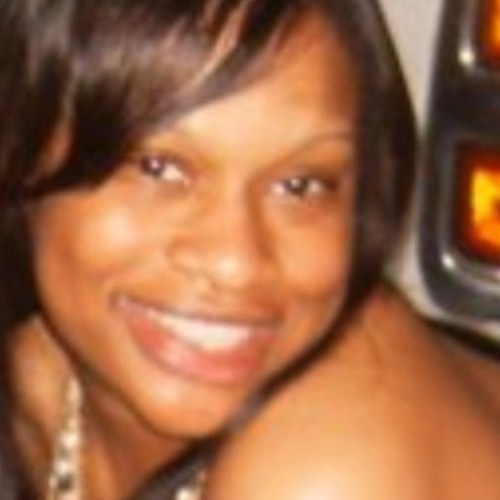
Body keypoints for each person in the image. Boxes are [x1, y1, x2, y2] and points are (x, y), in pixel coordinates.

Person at [0, 0, 499, 499]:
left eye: (299, 185)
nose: (235, 262)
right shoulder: (41, 374)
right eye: (159, 168)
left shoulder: (331, 464)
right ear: (21, 151)